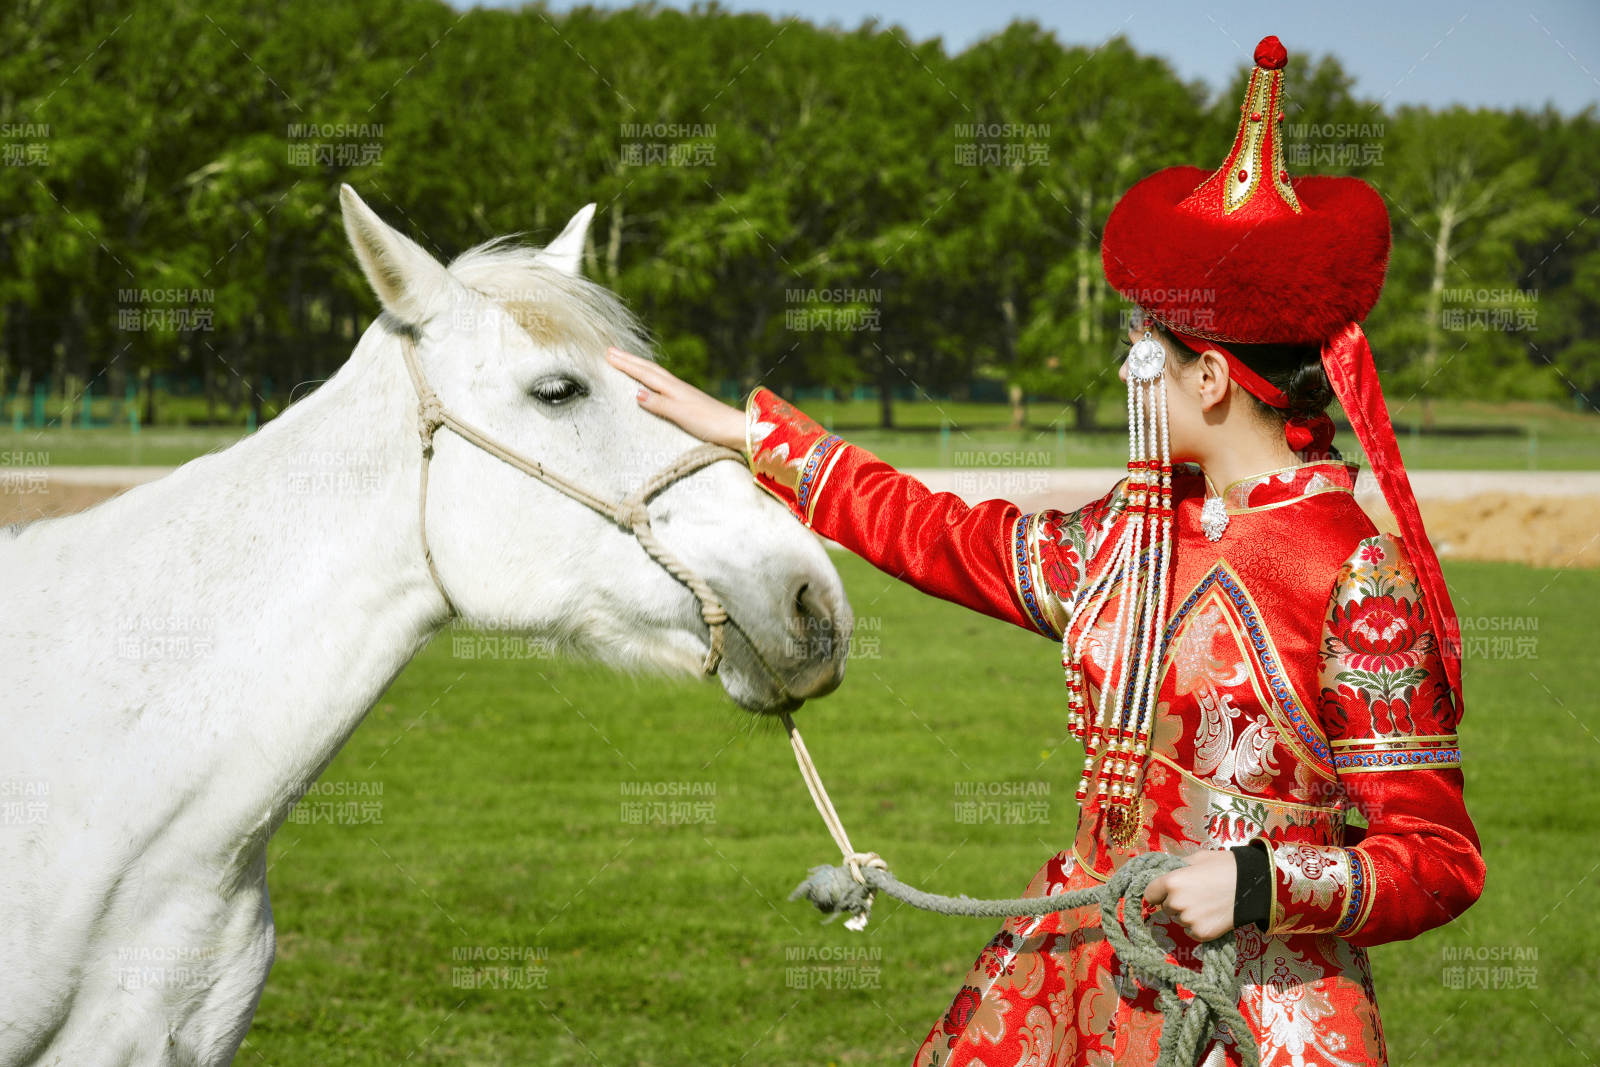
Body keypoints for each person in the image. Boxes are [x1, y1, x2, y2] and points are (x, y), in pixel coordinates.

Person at [606, 34, 1484, 1067]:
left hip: (1252, 1012)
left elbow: (1435, 858)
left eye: (1145, 347)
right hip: (1082, 964)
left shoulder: (1352, 575)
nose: (1127, 366)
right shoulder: (1132, 531)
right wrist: (756, 436)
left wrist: (1253, 881)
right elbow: (941, 535)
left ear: (1208, 378)